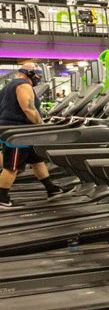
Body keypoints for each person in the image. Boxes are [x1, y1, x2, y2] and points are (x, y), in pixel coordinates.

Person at [0, 61, 71, 209]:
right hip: (19, 133)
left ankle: (51, 189)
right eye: (37, 76)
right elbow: (29, 109)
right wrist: (42, 128)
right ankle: (2, 198)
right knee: (12, 166)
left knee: (37, 160)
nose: (38, 80)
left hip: (21, 132)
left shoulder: (9, 86)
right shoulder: (23, 85)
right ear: (30, 74)